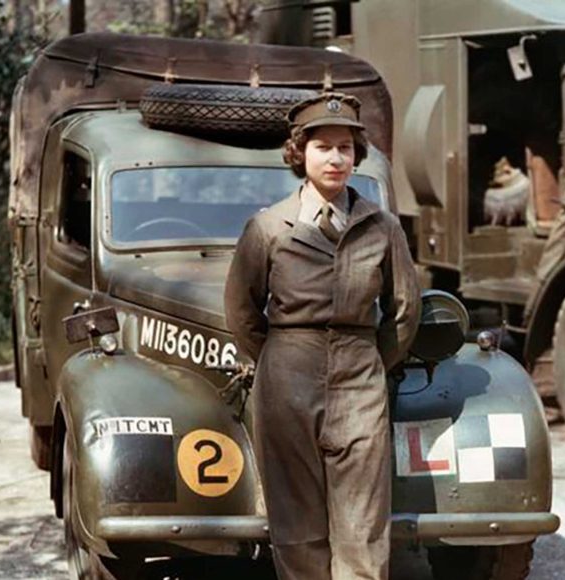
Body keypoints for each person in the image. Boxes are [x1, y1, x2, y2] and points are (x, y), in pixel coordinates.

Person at [224, 93, 421, 580]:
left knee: (363, 523)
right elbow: (242, 311)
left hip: (360, 378)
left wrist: (370, 362)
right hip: (287, 379)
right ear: (299, 153)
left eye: (345, 148)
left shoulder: (382, 228)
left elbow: (404, 311)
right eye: (323, 147)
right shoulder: (268, 228)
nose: (335, 158)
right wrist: (278, 359)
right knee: (297, 523)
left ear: (357, 156)